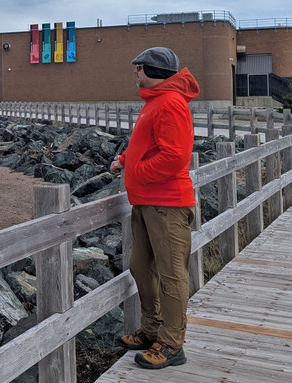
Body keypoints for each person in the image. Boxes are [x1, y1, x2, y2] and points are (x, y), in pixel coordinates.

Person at [110, 47, 200, 369]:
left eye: (138, 68)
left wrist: (138, 174)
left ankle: (173, 344)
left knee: (171, 276)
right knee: (140, 266)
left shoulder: (171, 102)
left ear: (150, 69)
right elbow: (145, 145)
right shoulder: (154, 102)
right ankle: (151, 329)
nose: (134, 73)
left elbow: (175, 156)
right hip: (147, 201)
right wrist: (123, 162)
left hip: (167, 204)